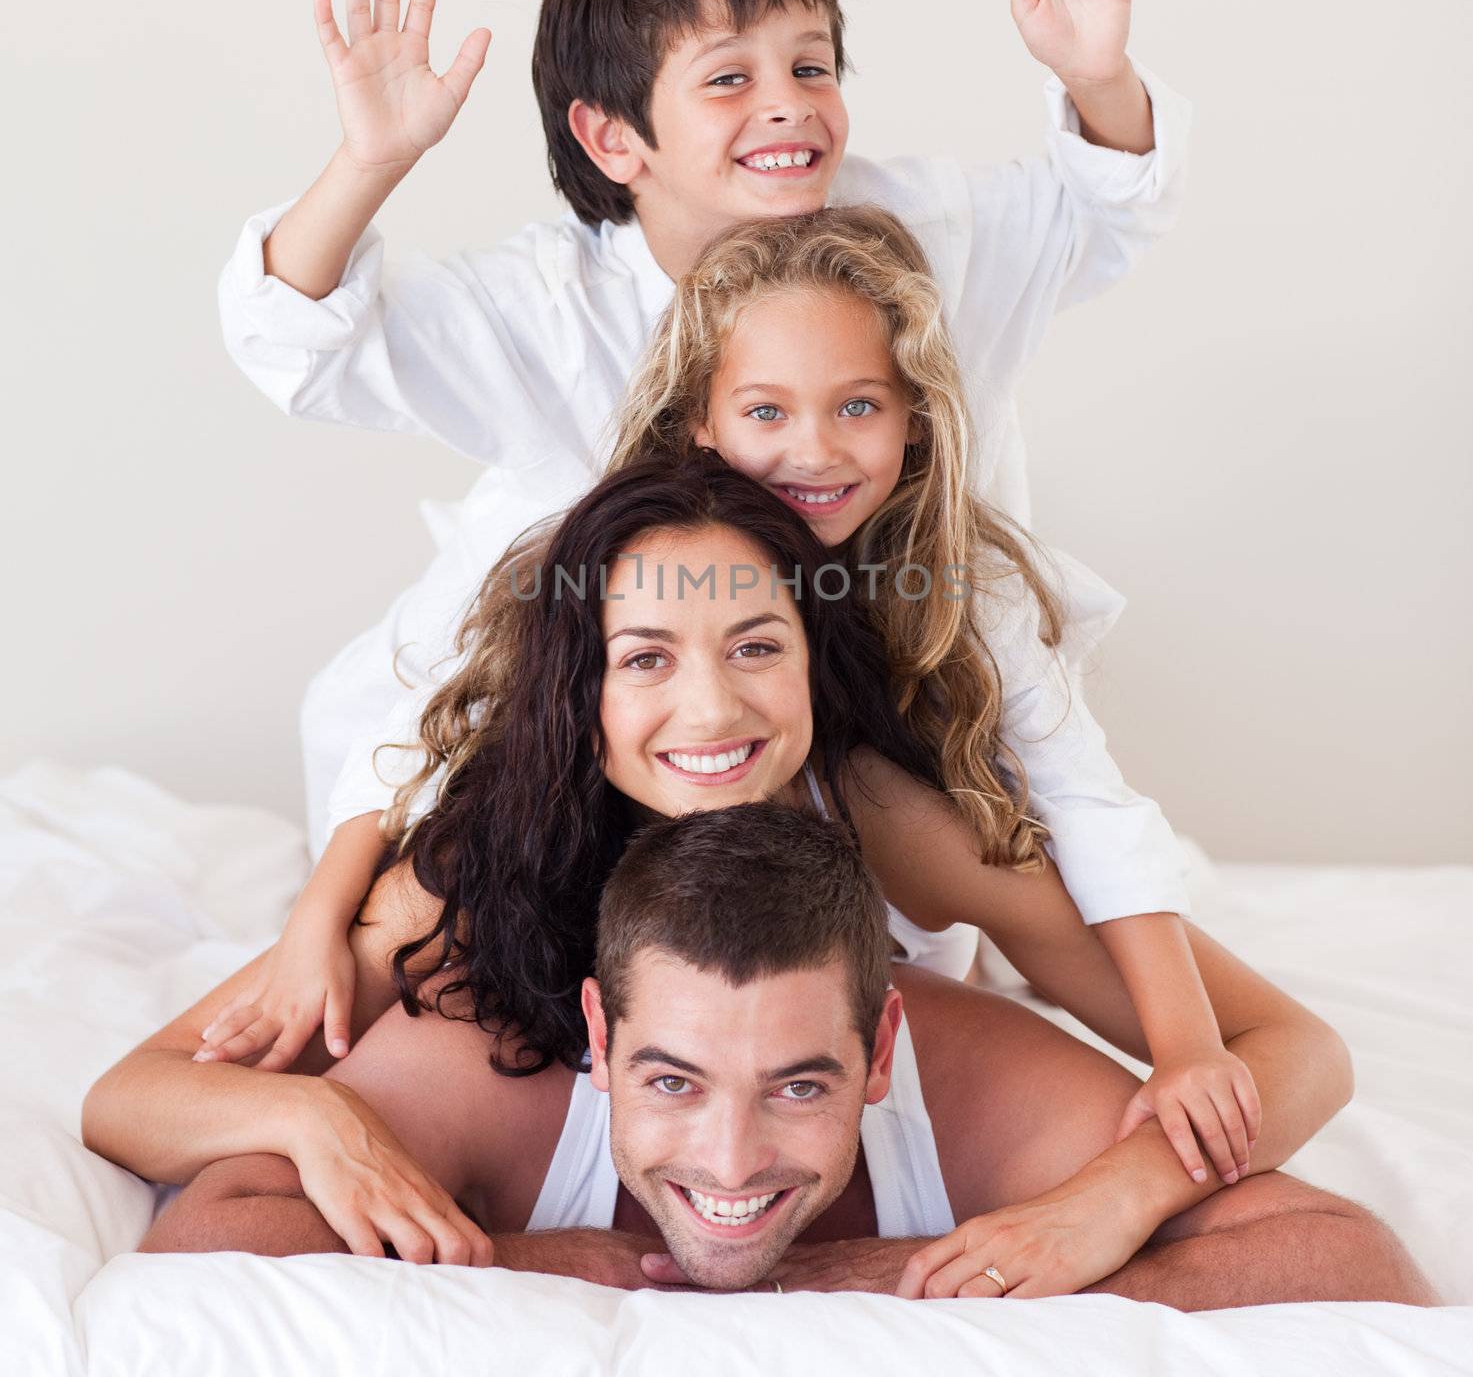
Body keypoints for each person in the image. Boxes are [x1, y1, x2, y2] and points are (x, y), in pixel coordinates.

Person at [88, 459, 1350, 1270]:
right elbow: (132, 1099)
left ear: (810, 660)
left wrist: (1113, 1201)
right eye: (645, 658)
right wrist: (307, 1114)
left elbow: (1297, 1050)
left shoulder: (883, 812)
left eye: (755, 646)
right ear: (581, 692)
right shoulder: (486, 859)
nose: (711, 712)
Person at [211, 209, 1252, 1188]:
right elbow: (423, 740)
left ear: (913, 421)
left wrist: (1184, 1055)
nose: (813, 450)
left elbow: (1084, 797)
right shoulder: (607, 572)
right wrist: (319, 920)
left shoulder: (909, 712)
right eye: (767, 410)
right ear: (701, 422)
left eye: (859, 405)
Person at [217, 0, 1186, 860]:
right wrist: (368, 165)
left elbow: (1102, 210)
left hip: (871, 708)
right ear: (613, 136)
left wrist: (1096, 74)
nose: (788, 106)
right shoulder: (554, 308)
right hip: (632, 748)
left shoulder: (929, 232)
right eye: (729, 79)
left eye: (812, 67)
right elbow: (300, 344)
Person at [137, 803, 1435, 1308]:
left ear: (879, 1049)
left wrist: (910, 1274)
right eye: (672, 1081)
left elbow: (1346, 1257)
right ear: (599, 1037)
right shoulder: (488, 1058)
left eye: (799, 1086)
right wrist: (533, 1261)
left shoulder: (971, 1083)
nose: (730, 1159)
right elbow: (206, 1233)